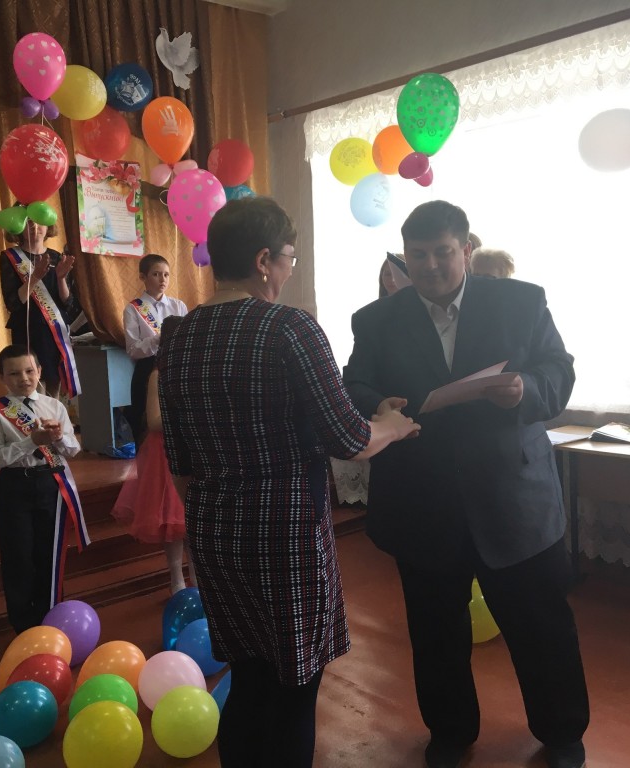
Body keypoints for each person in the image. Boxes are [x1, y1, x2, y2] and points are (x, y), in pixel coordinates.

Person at [159, 196, 420, 768]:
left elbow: (179, 459)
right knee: (295, 688)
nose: (288, 270)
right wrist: (393, 427)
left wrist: (212, 517)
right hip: (286, 536)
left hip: (215, 534)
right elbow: (348, 439)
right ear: (262, 261)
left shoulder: (178, 337)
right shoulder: (290, 328)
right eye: (289, 259)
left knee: (248, 679)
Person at [343, 200, 588, 768]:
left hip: (514, 498)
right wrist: (376, 405)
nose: (430, 266)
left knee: (542, 628)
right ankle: (450, 732)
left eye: (443, 253)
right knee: (434, 633)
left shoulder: (521, 301)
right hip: (421, 501)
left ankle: (562, 732)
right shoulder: (376, 319)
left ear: (467, 250)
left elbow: (559, 371)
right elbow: (353, 384)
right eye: (418, 255)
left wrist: (526, 389)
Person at [0, 345, 89, 633]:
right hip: (15, 485)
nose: (24, 378)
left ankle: (51, 616)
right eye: (14, 373)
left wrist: (58, 437)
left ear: (40, 371)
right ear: (2, 377)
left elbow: (73, 450)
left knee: (49, 552)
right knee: (17, 554)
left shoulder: (54, 406)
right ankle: (22, 624)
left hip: (50, 483)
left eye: (29, 371)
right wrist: (31, 441)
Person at [112, 315, 193, 595]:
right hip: (165, 453)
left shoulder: (194, 371)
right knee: (172, 518)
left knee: (193, 519)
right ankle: (176, 577)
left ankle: (198, 578)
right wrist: (188, 418)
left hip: (192, 448)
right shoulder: (158, 375)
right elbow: (154, 420)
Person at [0, 215, 82, 398]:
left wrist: (61, 278)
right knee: (29, 383)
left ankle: (52, 413)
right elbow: (13, 303)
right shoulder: (10, 257)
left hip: (53, 330)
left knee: (53, 382)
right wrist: (35, 277)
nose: (35, 226)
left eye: (39, 220)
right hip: (27, 329)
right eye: (28, 221)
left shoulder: (57, 257)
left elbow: (67, 302)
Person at [123, 254, 188, 442]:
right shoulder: (133, 309)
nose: (162, 280)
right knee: (142, 418)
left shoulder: (178, 306)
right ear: (143, 277)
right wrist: (158, 339)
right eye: (156, 274)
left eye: (166, 275)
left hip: (174, 367)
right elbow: (133, 349)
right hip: (147, 368)